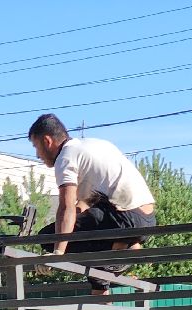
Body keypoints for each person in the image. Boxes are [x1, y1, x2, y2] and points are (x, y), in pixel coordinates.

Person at [27, 114, 156, 290]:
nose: (37, 154)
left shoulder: (65, 158)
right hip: (145, 218)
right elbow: (82, 207)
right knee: (93, 267)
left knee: (47, 238)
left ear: (47, 141)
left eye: (36, 147)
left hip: (125, 218)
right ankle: (101, 292)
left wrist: (56, 254)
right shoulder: (94, 145)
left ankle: (125, 246)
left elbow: (66, 208)